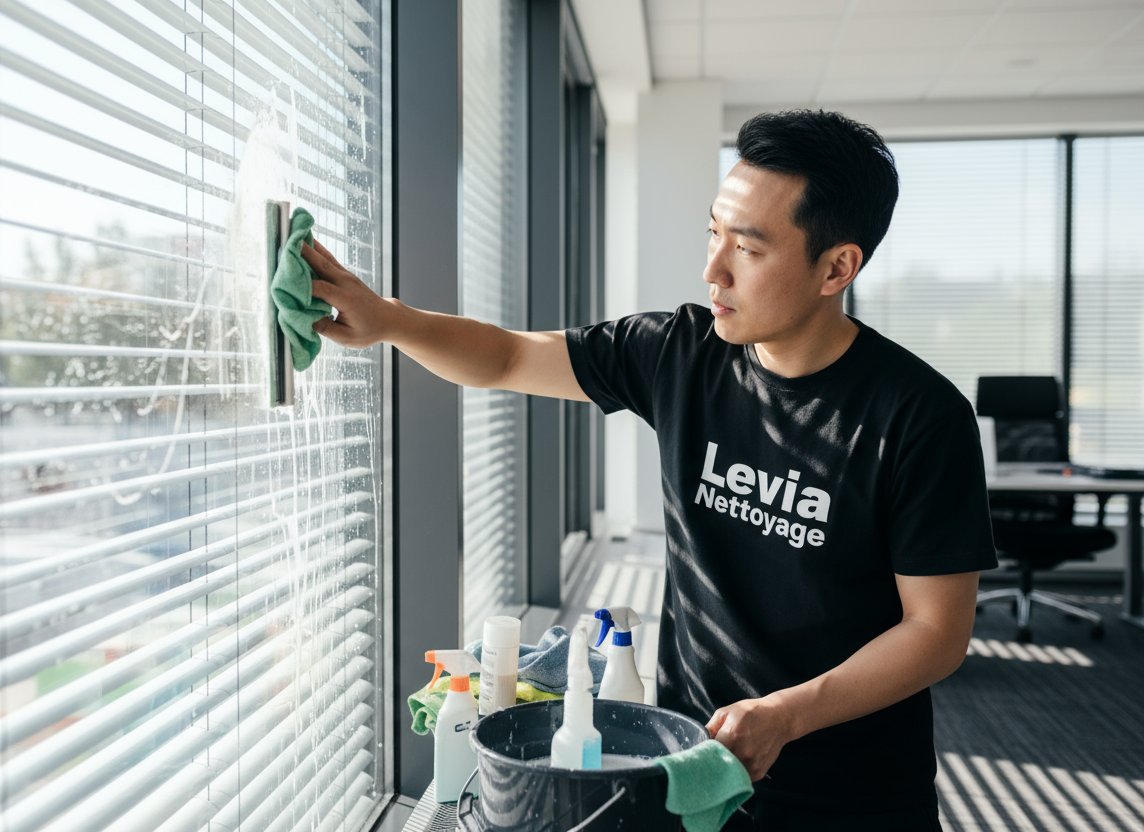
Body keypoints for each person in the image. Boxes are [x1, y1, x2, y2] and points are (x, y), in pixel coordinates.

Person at [302, 109, 997, 831]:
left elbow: (936, 631)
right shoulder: (678, 354)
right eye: (713, 234)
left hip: (853, 797)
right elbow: (508, 357)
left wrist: (788, 714)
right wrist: (389, 321)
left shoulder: (920, 416)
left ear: (837, 267)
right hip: (691, 766)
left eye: (747, 249)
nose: (713, 270)